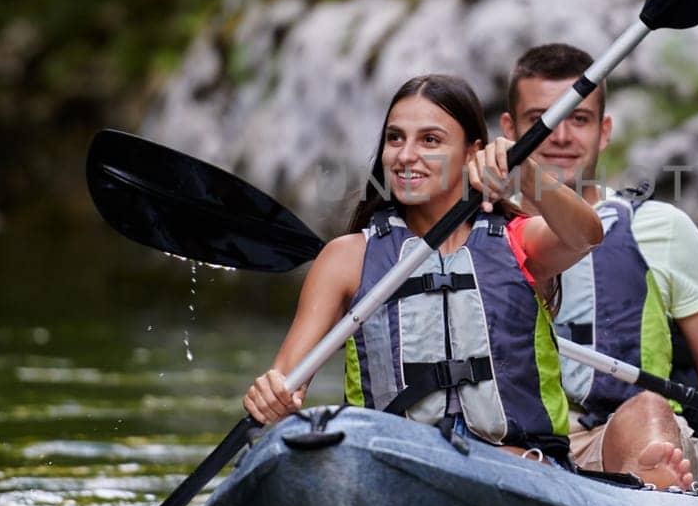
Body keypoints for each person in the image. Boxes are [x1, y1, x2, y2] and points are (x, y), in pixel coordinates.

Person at [243, 74, 603, 461]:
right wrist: (273, 395)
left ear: (472, 153)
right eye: (395, 138)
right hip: (393, 465)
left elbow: (586, 235)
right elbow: (286, 381)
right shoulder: (346, 257)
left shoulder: (520, 241)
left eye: (429, 140)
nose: (405, 155)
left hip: (519, 464)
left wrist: (529, 176)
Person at [501, 44, 698, 491]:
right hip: (510, 447)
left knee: (649, 412)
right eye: (544, 120)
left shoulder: (662, 229)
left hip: (629, 436)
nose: (560, 136)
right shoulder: (471, 232)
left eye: (579, 119)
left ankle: (652, 486)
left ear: (605, 130)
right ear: (509, 129)